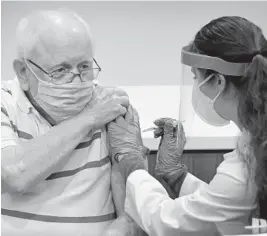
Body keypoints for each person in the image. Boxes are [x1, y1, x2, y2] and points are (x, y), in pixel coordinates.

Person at [106, 16, 267, 236]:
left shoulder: (245, 168)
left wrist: (133, 164)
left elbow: (167, 222)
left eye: (195, 77)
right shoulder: (255, 143)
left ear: (218, 81)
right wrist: (176, 176)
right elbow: (223, 208)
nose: (195, 87)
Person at [1, 9, 146, 236]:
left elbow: (132, 214)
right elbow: (13, 175)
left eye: (85, 67)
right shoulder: (4, 103)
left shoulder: (111, 106)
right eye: (61, 70)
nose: (77, 80)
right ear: (23, 71)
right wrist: (88, 118)